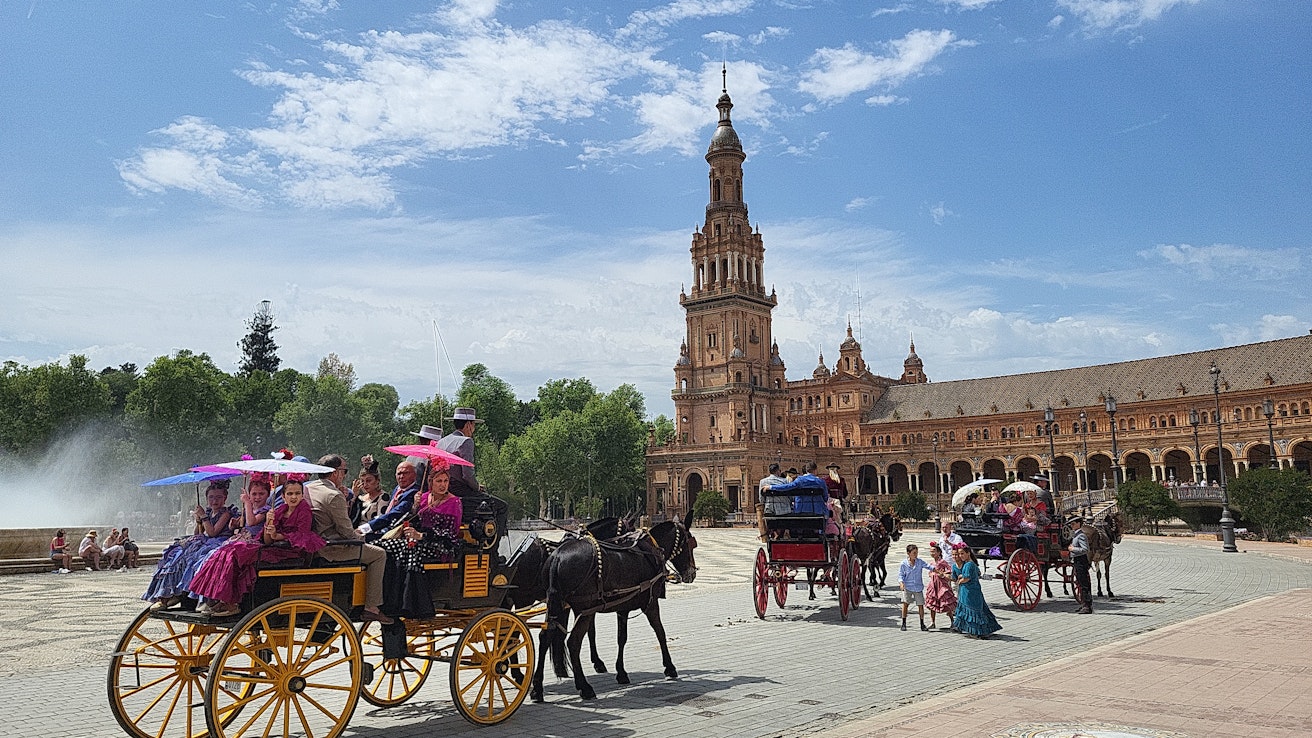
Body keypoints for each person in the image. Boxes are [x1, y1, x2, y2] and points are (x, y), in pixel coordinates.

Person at [190, 478, 326, 618]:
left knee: (237, 553)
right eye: (290, 494)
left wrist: (277, 535)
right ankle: (218, 596)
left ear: (302, 495)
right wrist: (269, 526)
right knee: (226, 550)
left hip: (290, 552)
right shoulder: (279, 511)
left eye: (297, 493)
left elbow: (300, 535)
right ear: (283, 496)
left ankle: (231, 602)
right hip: (272, 547)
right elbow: (267, 540)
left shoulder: (304, 511)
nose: (293, 497)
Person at [305, 454, 393, 624]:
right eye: (344, 471)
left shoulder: (308, 488)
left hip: (316, 545)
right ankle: (372, 607)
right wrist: (361, 538)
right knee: (379, 554)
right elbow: (346, 531)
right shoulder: (333, 494)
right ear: (335, 473)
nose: (344, 475)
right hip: (334, 548)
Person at [378, 457, 463, 617]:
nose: (443, 484)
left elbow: (450, 533)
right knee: (388, 546)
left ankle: (411, 603)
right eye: (439, 481)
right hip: (419, 541)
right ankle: (389, 596)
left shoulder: (454, 502)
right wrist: (415, 508)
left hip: (441, 545)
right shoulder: (423, 498)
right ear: (430, 482)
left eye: (445, 481)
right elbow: (412, 520)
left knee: (410, 551)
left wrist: (421, 536)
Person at [143, 480, 238, 608]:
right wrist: (199, 521)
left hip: (218, 542)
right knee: (177, 554)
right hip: (204, 541)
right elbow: (198, 533)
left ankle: (204, 598)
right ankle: (172, 593)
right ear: (206, 498)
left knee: (201, 559)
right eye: (211, 497)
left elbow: (213, 532)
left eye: (218, 497)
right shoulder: (209, 512)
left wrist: (204, 517)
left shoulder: (226, 513)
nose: (214, 501)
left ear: (225, 498)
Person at [356, 460, 419, 541]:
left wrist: (365, 528)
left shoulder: (414, 492)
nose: (402, 476)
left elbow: (395, 513)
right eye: (399, 474)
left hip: (396, 533)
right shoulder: (397, 489)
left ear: (414, 475)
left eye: (406, 473)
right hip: (381, 529)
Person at [951, 543, 1002, 638]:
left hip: (969, 591)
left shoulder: (969, 564)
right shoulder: (970, 564)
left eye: (962, 553)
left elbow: (967, 578)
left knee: (971, 610)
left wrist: (959, 581)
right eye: (959, 554)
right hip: (972, 590)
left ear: (968, 553)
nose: (960, 556)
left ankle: (976, 631)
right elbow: (977, 573)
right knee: (976, 609)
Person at [438, 409, 482, 497]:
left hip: (440, 486)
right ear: (469, 424)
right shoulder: (466, 441)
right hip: (458, 488)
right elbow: (467, 474)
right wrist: (477, 487)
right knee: (499, 505)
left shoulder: (441, 441)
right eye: (474, 425)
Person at [761, 461, 828, 516]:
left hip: (801, 510)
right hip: (818, 511)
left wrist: (771, 487)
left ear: (807, 470)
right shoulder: (821, 482)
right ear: (815, 470)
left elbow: (787, 487)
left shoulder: (800, 480)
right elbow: (825, 498)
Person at [897, 544, 933, 631]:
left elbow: (928, 566)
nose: (915, 555)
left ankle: (922, 623)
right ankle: (904, 623)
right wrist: (901, 583)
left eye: (916, 553)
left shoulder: (919, 562)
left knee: (920, 605)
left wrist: (937, 569)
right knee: (905, 604)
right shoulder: (904, 564)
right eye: (914, 553)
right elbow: (901, 575)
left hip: (918, 587)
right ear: (908, 553)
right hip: (908, 587)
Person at [923, 541, 957, 629]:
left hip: (942, 585)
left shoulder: (942, 562)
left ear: (939, 552)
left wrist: (943, 574)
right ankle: (932, 622)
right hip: (933, 585)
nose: (932, 553)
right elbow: (930, 572)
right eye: (931, 551)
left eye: (934, 551)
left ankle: (952, 621)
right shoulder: (931, 563)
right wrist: (931, 574)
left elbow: (949, 570)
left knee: (946, 603)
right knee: (932, 604)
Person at [349, 456, 389, 526]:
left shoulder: (383, 497)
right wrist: (354, 495)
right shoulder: (360, 498)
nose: (365, 484)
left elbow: (381, 519)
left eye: (369, 480)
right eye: (362, 481)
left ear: (377, 481)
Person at [1067, 514, 1093, 614]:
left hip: (1081, 560)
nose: (1072, 526)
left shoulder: (1081, 535)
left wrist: (1073, 549)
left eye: (1073, 524)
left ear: (1078, 524)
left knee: (1083, 583)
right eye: (1071, 524)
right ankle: (1084, 604)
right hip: (1077, 561)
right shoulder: (1076, 535)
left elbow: (1085, 549)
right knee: (1080, 583)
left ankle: (1087, 606)